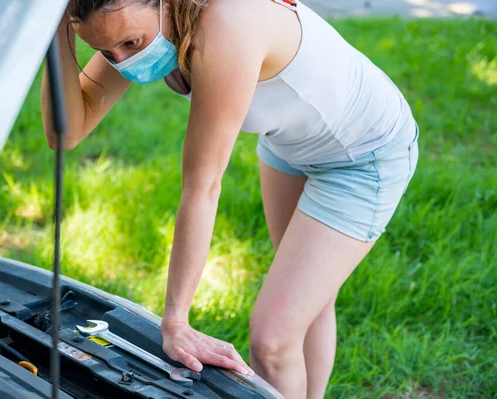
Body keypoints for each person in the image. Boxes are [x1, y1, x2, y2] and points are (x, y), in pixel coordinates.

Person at [40, 0, 419, 397]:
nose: (121, 61)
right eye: (105, 51)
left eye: (131, 43)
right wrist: (54, 36)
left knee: (272, 340)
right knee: (306, 304)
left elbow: (202, 186)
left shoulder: (226, 23)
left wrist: (176, 321)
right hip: (289, 141)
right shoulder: (127, 25)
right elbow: (66, 133)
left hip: (363, 154)